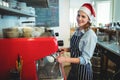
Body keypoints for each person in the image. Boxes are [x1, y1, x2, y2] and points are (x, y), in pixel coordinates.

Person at [56, 3, 97, 80]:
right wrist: (66, 49)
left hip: (83, 72)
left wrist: (65, 59)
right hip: (74, 68)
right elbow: (76, 48)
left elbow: (84, 59)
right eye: (78, 15)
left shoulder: (90, 35)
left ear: (89, 19)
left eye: (83, 16)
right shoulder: (78, 30)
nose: (79, 18)